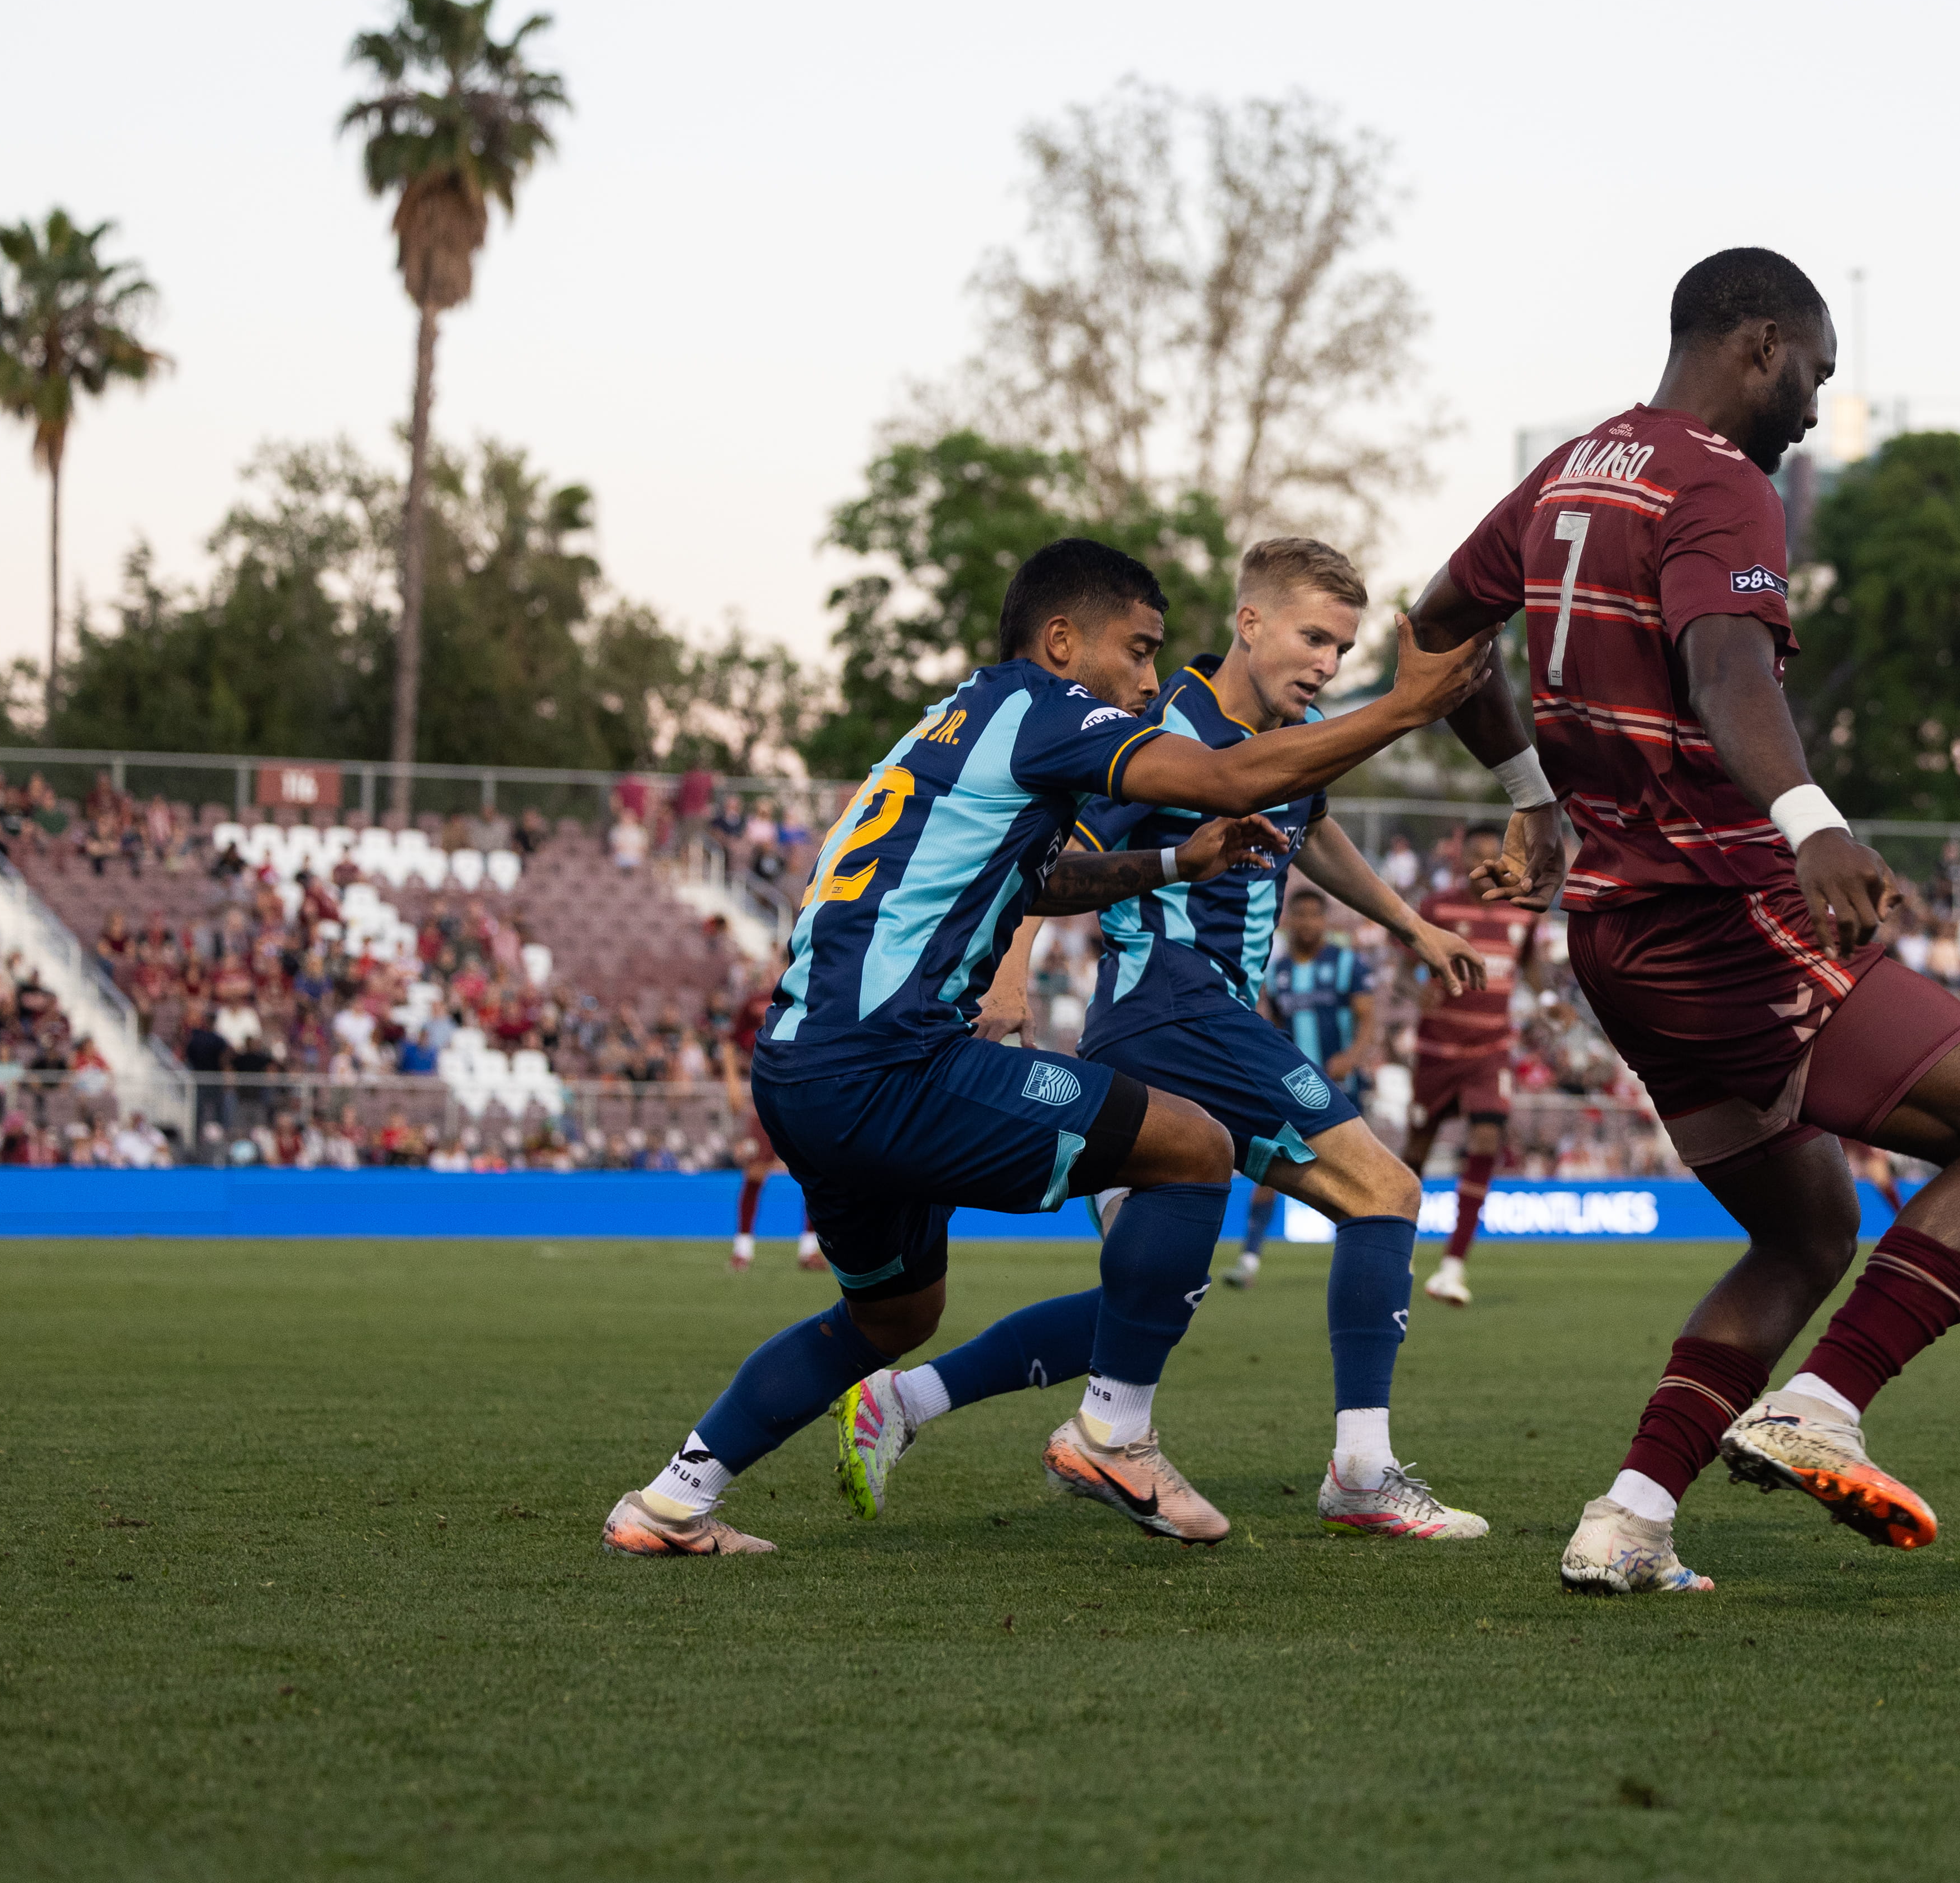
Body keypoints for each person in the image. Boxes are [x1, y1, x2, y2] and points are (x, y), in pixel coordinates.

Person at [1406, 247, 1960, 1596]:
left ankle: (1629, 1518)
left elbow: (1436, 630)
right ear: (1760, 343)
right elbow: (1724, 668)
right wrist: (1812, 819)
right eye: (1818, 374)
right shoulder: (1722, 482)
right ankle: (1823, 1403)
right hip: (1724, 909)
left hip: (1615, 937)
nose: (1819, 409)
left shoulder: (1568, 472)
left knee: (1805, 1232)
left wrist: (1529, 793)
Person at [598, 536, 1486, 1557]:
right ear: (1063, 642)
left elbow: (1044, 878)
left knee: (892, 1319)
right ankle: (1117, 1434)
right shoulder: (1053, 712)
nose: (1150, 680)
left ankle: (670, 1502)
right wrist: (1408, 708)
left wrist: (1167, 862)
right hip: (896, 1063)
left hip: (803, 1068)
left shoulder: (958, 719)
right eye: (1139, 651)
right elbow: (1228, 774)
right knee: (1195, 1150)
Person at [886, 537, 1497, 1544]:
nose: (1328, 666)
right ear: (1248, 624)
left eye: (1343, 650)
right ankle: (1360, 1470)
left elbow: (1315, 826)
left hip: (1169, 1025)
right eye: (1313, 638)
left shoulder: (1290, 741)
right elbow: (1060, 847)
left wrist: (1412, 925)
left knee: (1145, 1293)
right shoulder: (1170, 727)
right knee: (1384, 1192)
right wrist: (1011, 968)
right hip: (1177, 1009)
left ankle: (911, 1403)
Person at [1225, 885, 1378, 1287]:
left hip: (1343, 1087)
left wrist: (1352, 1057)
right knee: (1269, 1169)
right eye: (1300, 916)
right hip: (1292, 1089)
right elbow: (1272, 1024)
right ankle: (1250, 1258)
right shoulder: (1277, 972)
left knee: (1357, 1173)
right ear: (1288, 920)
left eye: (1315, 915)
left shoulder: (1347, 964)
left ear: (1325, 921)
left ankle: (1372, 1257)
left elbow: (1367, 1017)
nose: (1308, 923)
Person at [1406, 823, 1531, 1306]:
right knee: (1417, 1150)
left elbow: (1530, 967)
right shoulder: (1436, 908)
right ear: (1461, 861)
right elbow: (1402, 968)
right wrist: (1411, 986)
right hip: (1437, 1050)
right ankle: (1400, 1249)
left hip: (1490, 1049)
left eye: (1492, 857)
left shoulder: (1521, 910)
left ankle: (1454, 1265)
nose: (1485, 866)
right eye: (1475, 857)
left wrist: (1545, 997)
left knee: (1487, 1139)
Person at [719, 951, 823, 1273]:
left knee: (817, 1174)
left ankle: (810, 1250)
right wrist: (733, 1084)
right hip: (765, 1096)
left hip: (803, 1095)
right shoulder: (755, 1003)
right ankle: (743, 1250)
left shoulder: (808, 999)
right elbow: (728, 1044)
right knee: (755, 1172)